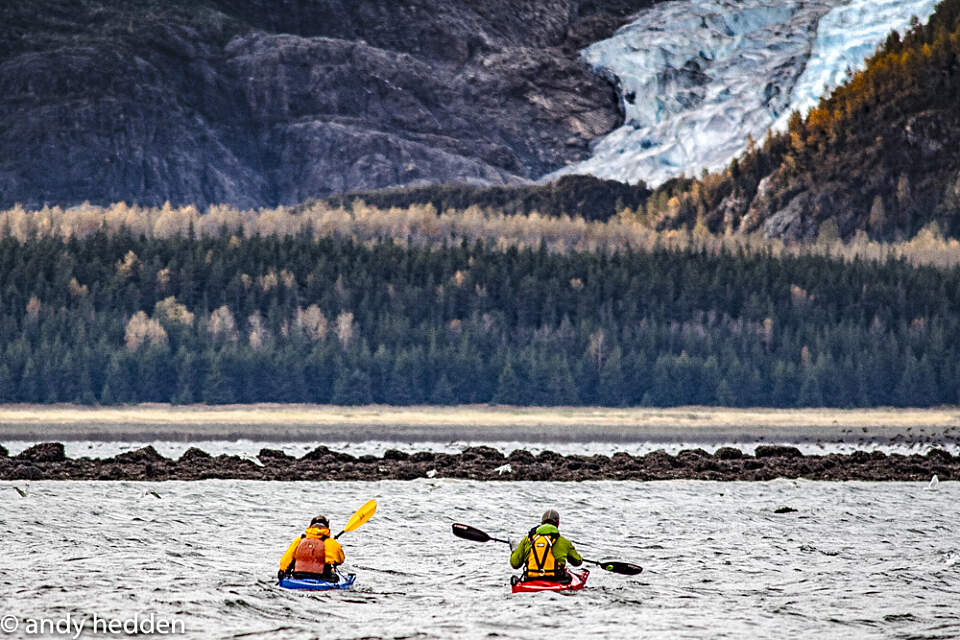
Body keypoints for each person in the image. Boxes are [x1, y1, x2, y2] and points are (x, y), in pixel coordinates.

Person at [509, 508, 582, 583]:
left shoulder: (528, 539)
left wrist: (514, 550)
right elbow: (577, 562)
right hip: (556, 580)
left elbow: (515, 564)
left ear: (542, 523)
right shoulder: (564, 542)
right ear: (558, 524)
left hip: (531, 580)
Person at [278, 515, 345, 581]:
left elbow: (286, 559)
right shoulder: (330, 542)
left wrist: (282, 571)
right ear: (327, 527)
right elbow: (340, 560)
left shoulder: (299, 540)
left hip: (298, 575)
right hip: (322, 576)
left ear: (310, 526)